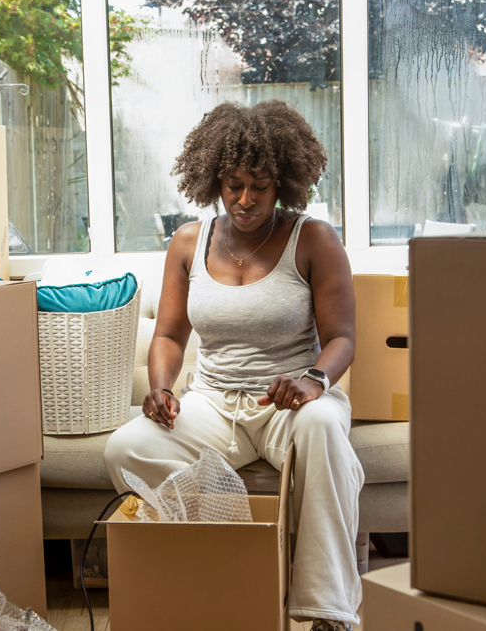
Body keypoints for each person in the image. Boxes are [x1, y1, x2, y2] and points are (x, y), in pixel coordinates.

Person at [103, 100, 364, 631]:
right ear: (213, 180)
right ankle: (230, 559)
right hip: (213, 403)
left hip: (289, 402)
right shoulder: (188, 242)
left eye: (260, 187)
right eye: (233, 184)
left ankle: (324, 610)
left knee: (323, 428)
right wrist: (160, 388)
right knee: (124, 448)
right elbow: (171, 334)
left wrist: (314, 380)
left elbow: (341, 337)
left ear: (283, 184)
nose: (245, 200)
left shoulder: (312, 239)